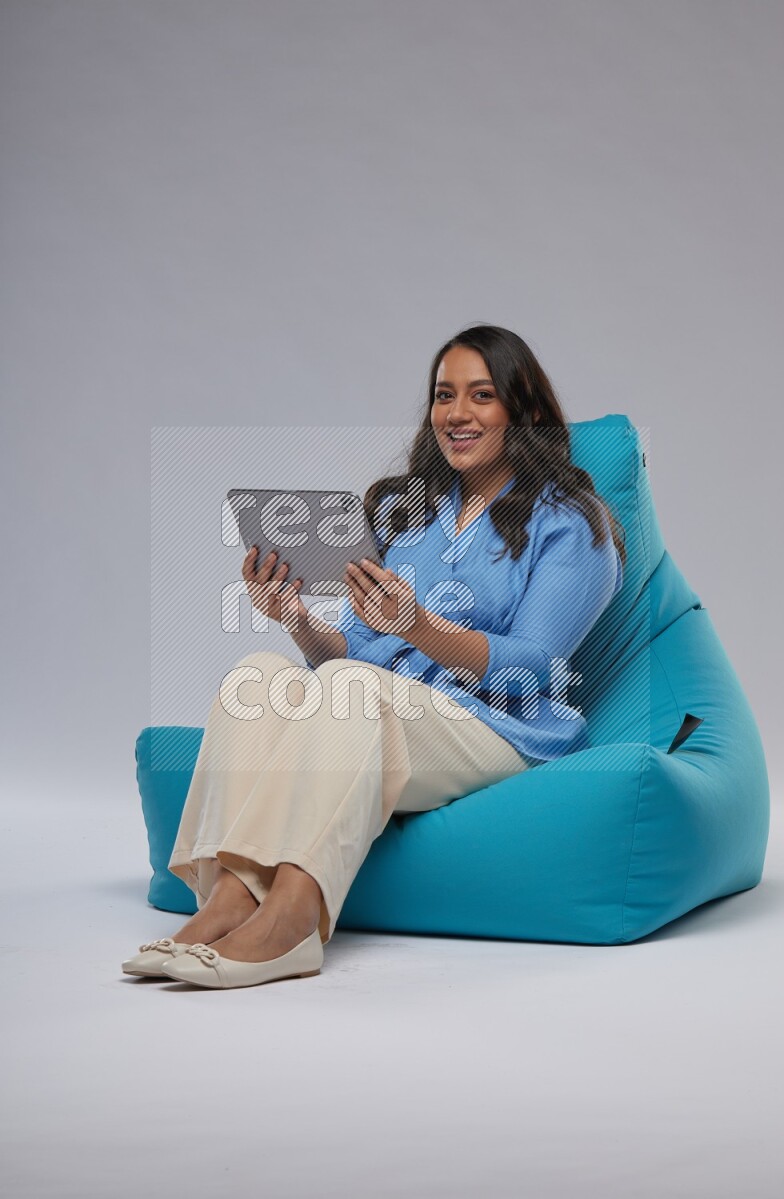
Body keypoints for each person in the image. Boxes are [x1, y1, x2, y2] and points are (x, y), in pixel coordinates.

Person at [122, 323, 626, 989]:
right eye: (444, 395)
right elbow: (353, 654)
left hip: (498, 729)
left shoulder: (573, 522)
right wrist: (295, 617)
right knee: (259, 674)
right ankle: (223, 902)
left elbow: (532, 666)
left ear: (525, 411)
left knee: (354, 688)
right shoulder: (409, 514)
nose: (456, 413)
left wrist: (419, 626)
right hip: (383, 710)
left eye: (481, 395)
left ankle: (293, 921)